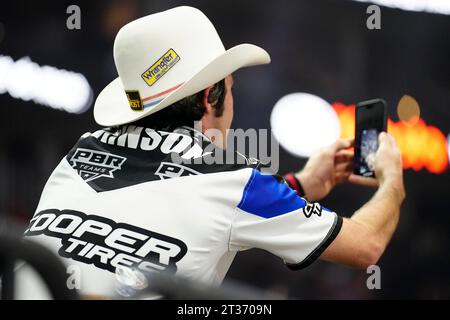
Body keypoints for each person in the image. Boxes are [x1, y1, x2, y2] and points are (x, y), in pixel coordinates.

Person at [23, 6, 405, 298]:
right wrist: (392, 180)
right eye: (232, 87)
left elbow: (182, 198)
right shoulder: (235, 181)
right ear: (211, 97)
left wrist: (301, 184)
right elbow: (366, 245)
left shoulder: (80, 151)